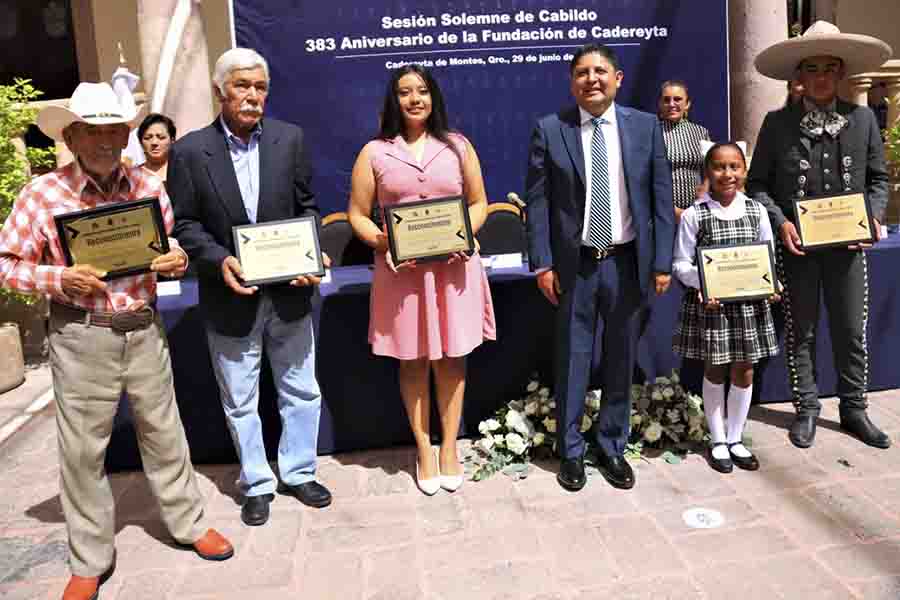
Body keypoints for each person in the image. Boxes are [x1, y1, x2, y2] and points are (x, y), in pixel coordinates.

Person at [0, 82, 233, 600]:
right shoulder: (41, 194)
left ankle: (189, 524)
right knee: (82, 452)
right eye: (94, 131)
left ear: (126, 133)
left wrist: (176, 258)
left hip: (144, 329)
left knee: (165, 433)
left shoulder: (148, 185)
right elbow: (6, 265)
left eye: (114, 130)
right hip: (83, 336)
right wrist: (61, 280)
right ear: (74, 135)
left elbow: (167, 243)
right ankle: (90, 558)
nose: (106, 141)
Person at [169, 47, 332, 526]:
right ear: (221, 90)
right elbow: (185, 224)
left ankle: (299, 471)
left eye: (260, 87)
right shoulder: (189, 151)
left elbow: (308, 206)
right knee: (240, 399)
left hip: (288, 293)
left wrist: (311, 251)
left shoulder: (290, 139)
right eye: (242, 86)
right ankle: (257, 482)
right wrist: (219, 261)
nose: (252, 96)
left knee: (301, 389)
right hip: (230, 297)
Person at [525, 43, 675, 492]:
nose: (592, 79)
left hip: (628, 263)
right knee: (572, 358)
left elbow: (661, 200)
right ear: (572, 83)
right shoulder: (551, 130)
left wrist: (662, 261)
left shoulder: (646, 127)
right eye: (582, 73)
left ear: (618, 79)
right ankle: (570, 452)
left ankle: (611, 446)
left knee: (619, 358)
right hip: (577, 267)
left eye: (600, 71)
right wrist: (542, 263)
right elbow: (537, 202)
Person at [347, 65, 496, 495]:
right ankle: (423, 447)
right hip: (403, 275)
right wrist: (381, 242)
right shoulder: (374, 152)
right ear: (393, 101)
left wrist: (465, 234)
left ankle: (449, 446)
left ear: (434, 98)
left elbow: (479, 202)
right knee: (413, 361)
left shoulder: (458, 146)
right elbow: (358, 213)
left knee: (452, 358)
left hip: (453, 270)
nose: (415, 99)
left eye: (423, 91)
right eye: (405, 92)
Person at [748, 21, 893, 449]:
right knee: (802, 331)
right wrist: (782, 223)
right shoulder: (777, 124)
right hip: (799, 249)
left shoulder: (863, 118)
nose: (822, 75)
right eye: (812, 67)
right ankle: (807, 408)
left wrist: (872, 217)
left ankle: (854, 408)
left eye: (830, 67)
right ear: (800, 75)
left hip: (848, 248)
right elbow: (758, 185)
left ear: (841, 73)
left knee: (851, 330)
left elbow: (879, 180)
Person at [673, 142, 780, 473]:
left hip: (748, 306)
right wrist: (702, 283)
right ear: (708, 171)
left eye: (734, 166)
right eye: (719, 167)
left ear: (744, 171)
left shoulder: (756, 210)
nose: (727, 173)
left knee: (744, 370)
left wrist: (771, 283)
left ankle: (735, 437)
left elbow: (768, 255)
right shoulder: (695, 214)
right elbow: (680, 263)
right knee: (715, 369)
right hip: (713, 307)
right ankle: (717, 440)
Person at [657, 80, 711, 220]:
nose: (672, 104)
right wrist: (673, 211)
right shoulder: (651, 132)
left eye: (678, 99)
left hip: (698, 212)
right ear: (660, 104)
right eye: (666, 100)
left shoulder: (701, 132)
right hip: (663, 213)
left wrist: (702, 198)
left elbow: (710, 170)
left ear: (687, 104)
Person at [138, 112, 176, 183]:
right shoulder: (130, 176)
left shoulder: (182, 173)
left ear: (172, 140)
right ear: (141, 142)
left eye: (161, 137)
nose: (154, 142)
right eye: (148, 138)